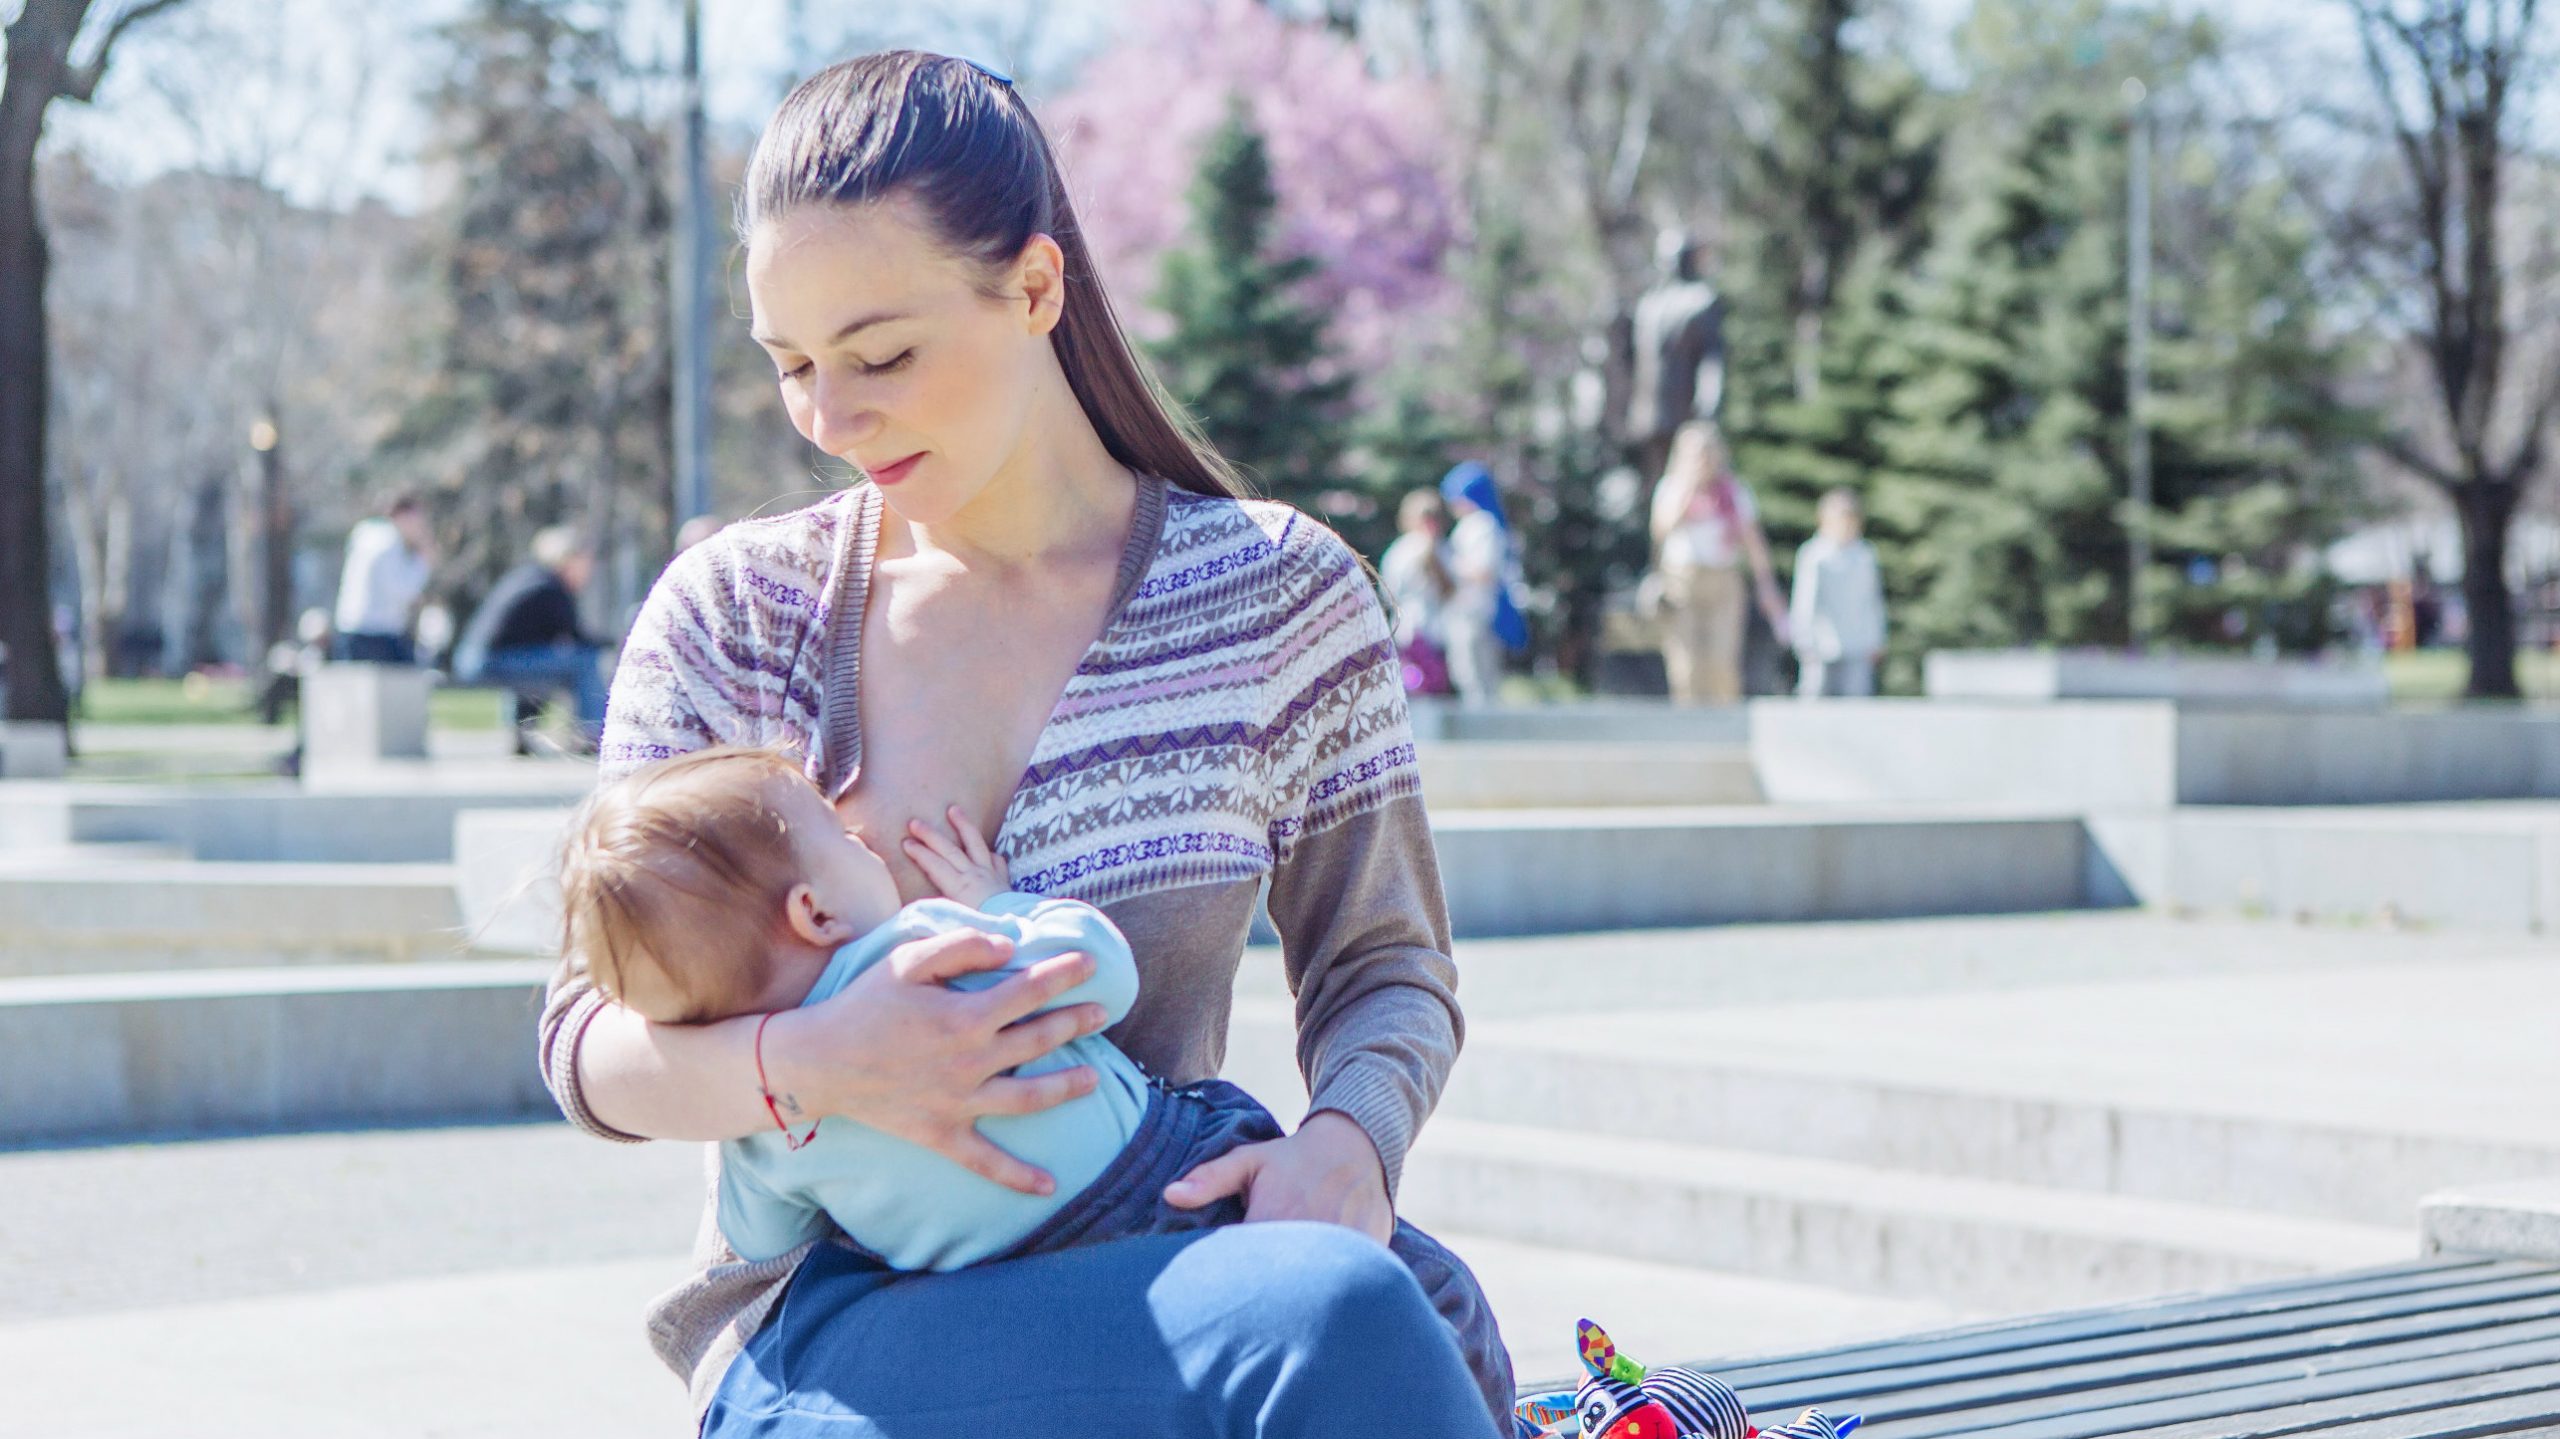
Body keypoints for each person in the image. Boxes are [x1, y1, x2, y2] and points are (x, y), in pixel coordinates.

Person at [537, 51, 1515, 1439]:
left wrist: (1347, 1147)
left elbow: (1386, 965)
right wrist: (827, 1055)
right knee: (1345, 1327)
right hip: (831, 1326)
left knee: (1363, 1307)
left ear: (1038, 289)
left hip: (1157, 1260)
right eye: (793, 365)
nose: (829, 415)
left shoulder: (1278, 596)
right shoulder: (737, 616)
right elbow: (585, 1041)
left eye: (880, 355)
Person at [557, 745, 1510, 1402]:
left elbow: (759, 1234)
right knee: (1433, 1295)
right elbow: (1099, 969)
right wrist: (999, 901)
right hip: (1153, 1188)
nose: (864, 843)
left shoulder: (765, 1132)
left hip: (978, 1289)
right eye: (841, 840)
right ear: (814, 910)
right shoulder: (925, 949)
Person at [1648, 422, 1784, 705]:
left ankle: (1725, 729)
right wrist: (1688, 493)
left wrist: (1766, 585)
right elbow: (1660, 532)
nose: (1703, 461)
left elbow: (1753, 540)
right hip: (1681, 581)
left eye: (1708, 453)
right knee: (1685, 665)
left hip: (1723, 579)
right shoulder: (1671, 488)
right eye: (1696, 454)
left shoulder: (1734, 492)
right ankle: (1689, 731)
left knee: (1722, 661)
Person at [454, 525, 607, 743]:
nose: (588, 571)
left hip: (475, 657)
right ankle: (593, 735)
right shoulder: (550, 589)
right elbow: (577, 638)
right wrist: (610, 643)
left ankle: (523, 735)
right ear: (568, 560)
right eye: (585, 562)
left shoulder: (530, 577)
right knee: (583, 661)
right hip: (488, 661)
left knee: (548, 664)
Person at [1788, 489, 1887, 698]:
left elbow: (1873, 600)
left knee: (1857, 699)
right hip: (1821, 644)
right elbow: (1805, 601)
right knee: (1815, 695)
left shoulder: (1865, 555)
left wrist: (1876, 638)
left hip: (1857, 644)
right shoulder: (1814, 555)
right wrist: (1803, 639)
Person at [1440, 462, 1523, 707]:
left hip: (1477, 610)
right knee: (1465, 671)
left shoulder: (1483, 525)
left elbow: (1484, 571)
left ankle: (1482, 727)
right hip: (1464, 610)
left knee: (1478, 674)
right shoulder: (1471, 525)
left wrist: (1448, 564)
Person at [330, 492, 435, 664]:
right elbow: (403, 592)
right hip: (376, 634)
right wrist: (423, 562)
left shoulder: (367, 534)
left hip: (352, 628)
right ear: (403, 515)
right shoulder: (389, 541)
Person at [1380, 489, 1453, 696]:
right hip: (1421, 630)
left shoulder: (1408, 550)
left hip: (1425, 629)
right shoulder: (1411, 550)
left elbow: (1389, 592)